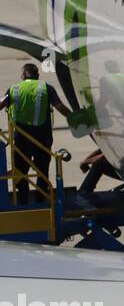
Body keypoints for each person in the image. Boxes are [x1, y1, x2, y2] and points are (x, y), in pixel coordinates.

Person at [0, 64, 71, 205]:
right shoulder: (46, 88)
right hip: (42, 137)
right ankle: (41, 195)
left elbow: (1, 104)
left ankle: (22, 197)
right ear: (37, 75)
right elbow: (60, 107)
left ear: (23, 74)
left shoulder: (14, 89)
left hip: (21, 137)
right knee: (42, 167)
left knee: (20, 169)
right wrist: (73, 118)